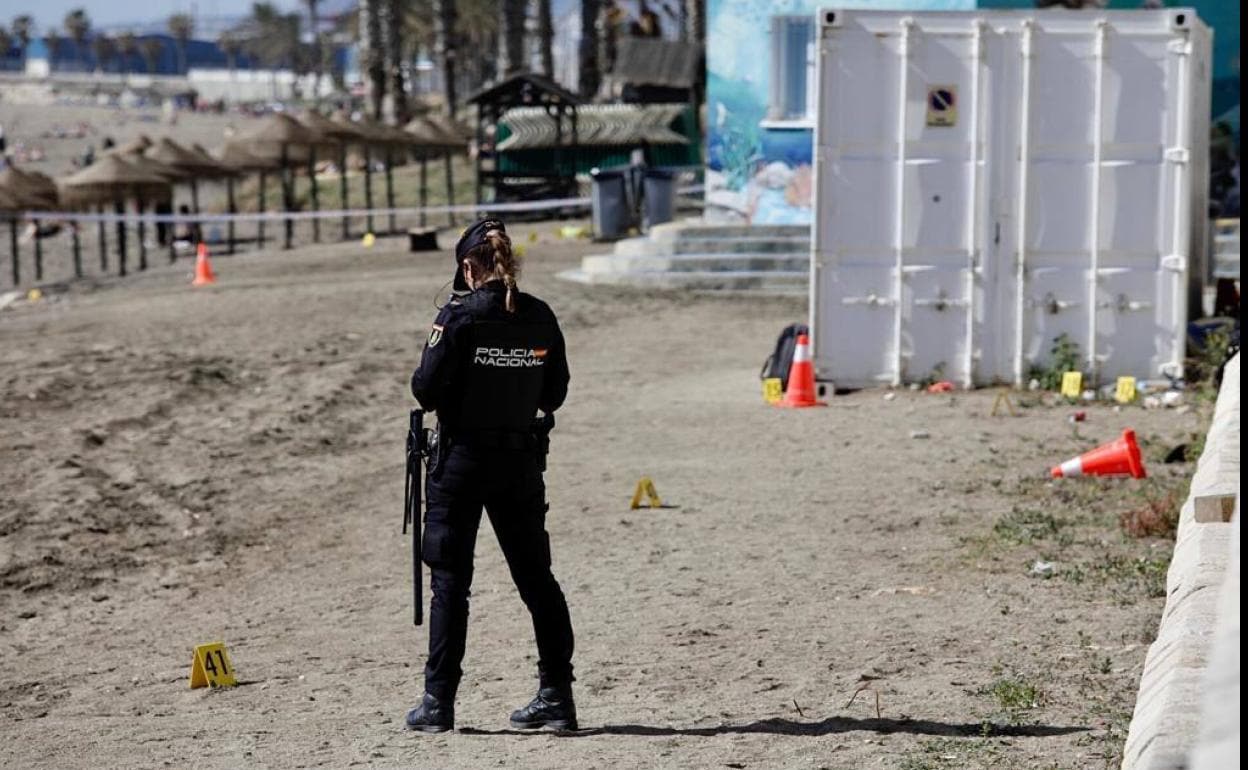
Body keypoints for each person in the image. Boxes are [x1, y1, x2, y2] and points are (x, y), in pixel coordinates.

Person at [405, 218, 577, 734]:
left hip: (461, 462)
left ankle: (438, 703)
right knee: (537, 580)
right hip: (519, 461)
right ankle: (556, 695)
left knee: (451, 584)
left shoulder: (457, 317)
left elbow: (425, 389)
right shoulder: (540, 316)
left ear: (467, 266)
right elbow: (554, 395)